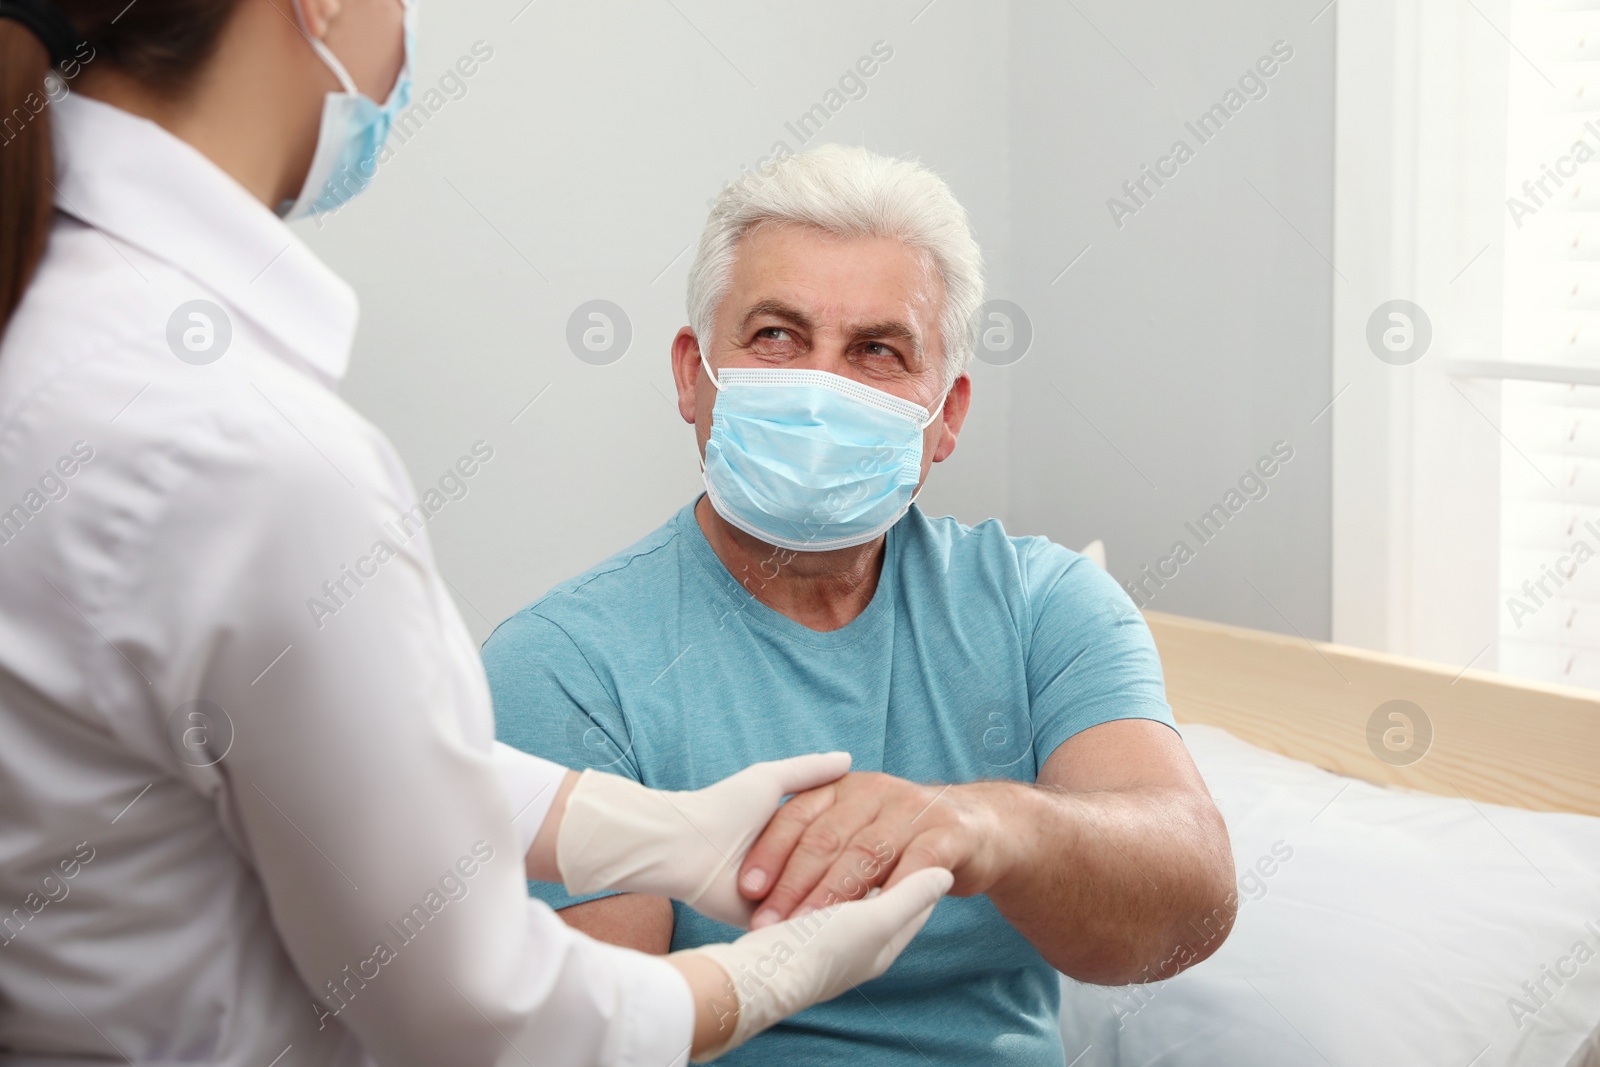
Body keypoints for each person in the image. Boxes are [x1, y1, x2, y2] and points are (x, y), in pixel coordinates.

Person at [0, 3, 953, 1064]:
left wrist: (643, 830)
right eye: (777, 335)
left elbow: (295, 756)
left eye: (877, 350)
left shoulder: (64, 327)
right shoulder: (243, 449)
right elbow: (479, 1016)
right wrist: (776, 967)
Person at [484, 144, 1239, 1066]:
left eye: (878, 351)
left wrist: (989, 825)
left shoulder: (1044, 606)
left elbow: (1188, 907)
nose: (820, 389)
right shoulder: (565, 663)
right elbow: (593, 1038)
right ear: (692, 375)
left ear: (947, 414)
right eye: (775, 336)